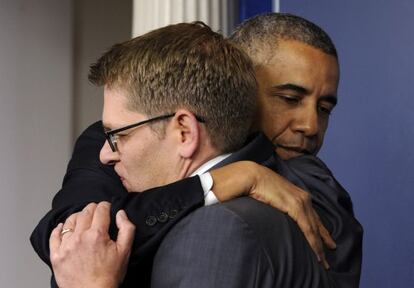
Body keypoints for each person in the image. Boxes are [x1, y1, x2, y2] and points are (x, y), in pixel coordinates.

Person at [48, 19, 361, 288]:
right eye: (289, 98)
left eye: (324, 109)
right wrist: (216, 182)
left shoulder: (237, 221)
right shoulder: (117, 139)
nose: (310, 125)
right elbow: (67, 236)